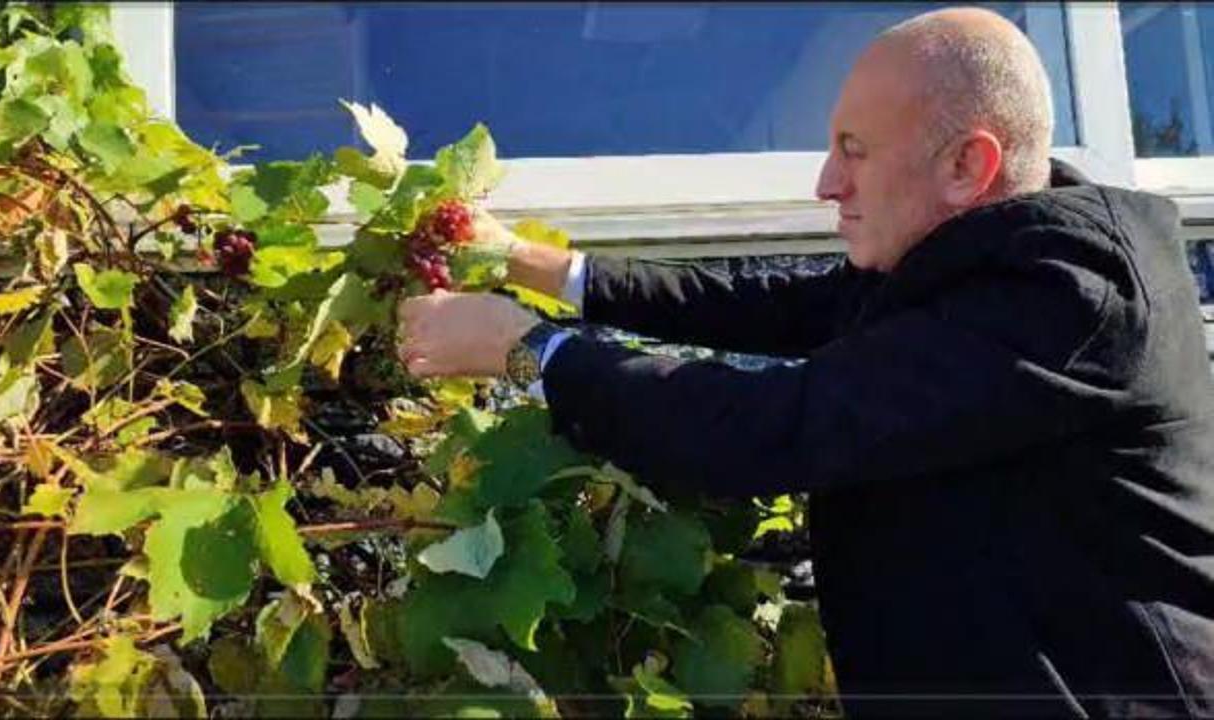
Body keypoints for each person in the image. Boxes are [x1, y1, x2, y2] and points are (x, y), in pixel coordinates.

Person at [396, 7, 1214, 717]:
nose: (827, 183)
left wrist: (529, 351)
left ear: (968, 166)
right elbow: (770, 301)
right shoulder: (971, 268)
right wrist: (543, 268)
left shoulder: (1070, 303)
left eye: (853, 151)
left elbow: (778, 426)